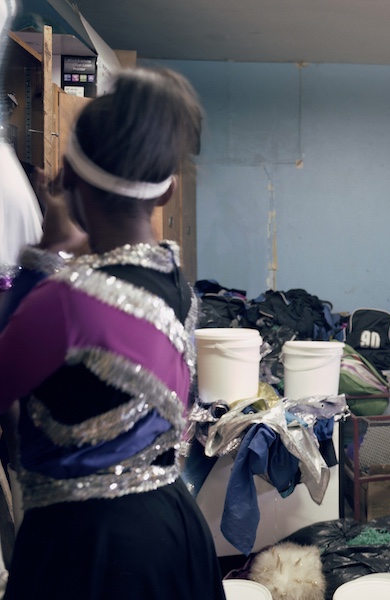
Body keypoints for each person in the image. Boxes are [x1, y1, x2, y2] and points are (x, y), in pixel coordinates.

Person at [0, 66, 226, 599]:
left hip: (89, 545)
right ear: (166, 194)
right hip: (172, 526)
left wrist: (39, 257)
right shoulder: (175, 282)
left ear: (66, 181)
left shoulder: (65, 300)